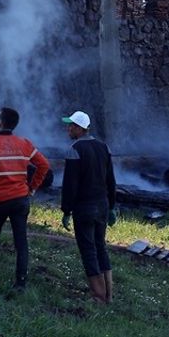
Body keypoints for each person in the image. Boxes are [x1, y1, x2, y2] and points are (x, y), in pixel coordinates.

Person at [0, 106, 50, 290]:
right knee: (21, 240)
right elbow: (44, 165)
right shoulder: (24, 143)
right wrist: (32, 188)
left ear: (0, 122)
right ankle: (20, 282)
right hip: (20, 199)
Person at [59, 110, 117, 304]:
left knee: (88, 249)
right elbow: (111, 180)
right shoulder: (104, 147)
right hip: (102, 205)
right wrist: (112, 206)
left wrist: (66, 210)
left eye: (71, 126)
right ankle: (109, 294)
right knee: (101, 246)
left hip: (84, 208)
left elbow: (70, 185)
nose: (68, 128)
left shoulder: (75, 149)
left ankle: (98, 296)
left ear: (80, 129)